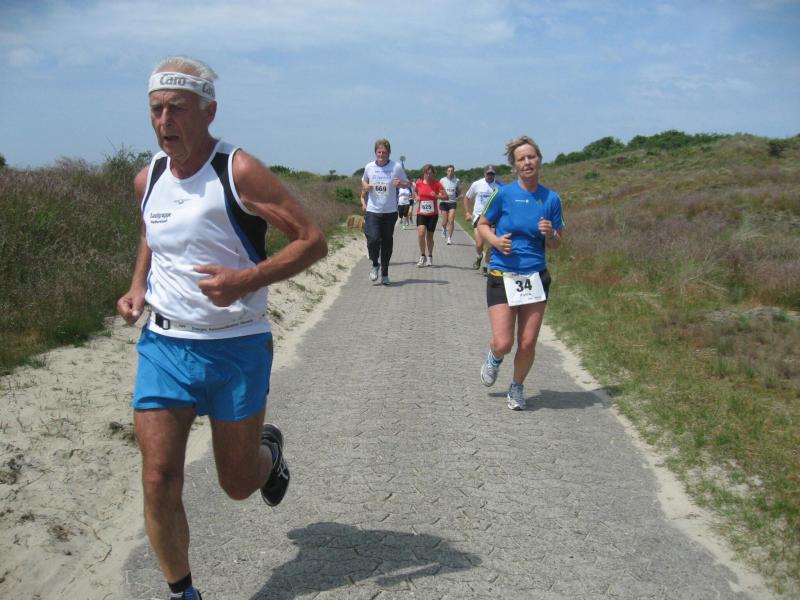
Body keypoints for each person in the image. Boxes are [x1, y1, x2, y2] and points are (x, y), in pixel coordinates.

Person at [116, 56, 327, 600]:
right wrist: (138, 286)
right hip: (165, 345)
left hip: (236, 345)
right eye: (156, 109)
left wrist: (246, 280)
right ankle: (182, 592)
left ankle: (268, 454)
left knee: (236, 484)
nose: (165, 121)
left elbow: (312, 240)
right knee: (158, 477)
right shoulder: (148, 177)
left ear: (209, 111)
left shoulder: (238, 170)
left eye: (178, 108)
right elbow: (151, 232)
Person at [476, 136, 564, 411]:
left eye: (531, 157)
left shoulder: (551, 198)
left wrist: (551, 234)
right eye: (521, 159)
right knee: (504, 342)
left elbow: (557, 242)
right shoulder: (503, 194)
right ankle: (494, 357)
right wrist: (495, 241)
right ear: (514, 166)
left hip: (535, 276)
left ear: (539, 160)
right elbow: (482, 224)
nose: (527, 162)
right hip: (503, 273)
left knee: (527, 342)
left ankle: (516, 387)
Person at [361, 139, 411, 285]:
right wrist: (366, 186)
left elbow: (408, 183)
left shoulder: (396, 167)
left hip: (390, 212)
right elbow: (363, 181)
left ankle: (385, 274)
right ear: (375, 152)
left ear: (389, 153)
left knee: (387, 242)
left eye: (384, 152)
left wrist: (401, 183)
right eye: (379, 152)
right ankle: (375, 264)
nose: (381, 155)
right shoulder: (369, 167)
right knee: (373, 239)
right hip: (372, 210)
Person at [464, 165, 503, 272]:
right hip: (478, 217)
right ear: (484, 174)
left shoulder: (500, 186)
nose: (490, 176)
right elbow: (467, 197)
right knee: (479, 244)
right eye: (488, 174)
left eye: (492, 174)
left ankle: (485, 265)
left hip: (493, 218)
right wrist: (467, 213)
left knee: (491, 244)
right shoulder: (477, 184)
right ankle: (479, 256)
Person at [414, 164, 447, 267]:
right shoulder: (419, 183)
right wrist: (416, 196)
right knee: (421, 233)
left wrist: (436, 196)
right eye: (426, 173)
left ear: (433, 174)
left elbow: (446, 196)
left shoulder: (437, 184)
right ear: (424, 173)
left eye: (430, 173)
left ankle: (430, 256)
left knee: (429, 236)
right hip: (421, 213)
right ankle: (422, 256)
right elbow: (414, 192)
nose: (428, 175)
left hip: (433, 214)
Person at [438, 164, 460, 245]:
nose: (450, 172)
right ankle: (443, 229)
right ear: (446, 172)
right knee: (444, 221)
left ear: (454, 171)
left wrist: (459, 195)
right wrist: (440, 195)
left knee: (451, 220)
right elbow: (439, 190)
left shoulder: (457, 180)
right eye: (449, 171)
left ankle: (449, 238)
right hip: (444, 202)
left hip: (452, 202)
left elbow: (458, 190)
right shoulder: (442, 180)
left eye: (452, 171)